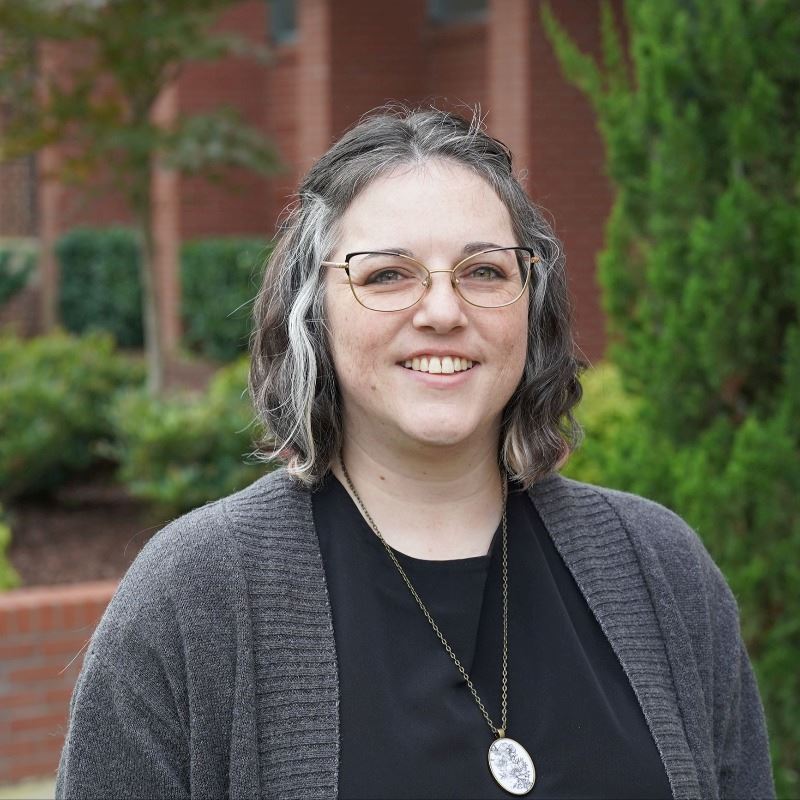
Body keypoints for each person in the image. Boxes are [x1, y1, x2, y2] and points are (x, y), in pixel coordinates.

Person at [56, 108, 774, 800]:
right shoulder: (195, 598)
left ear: (532, 304)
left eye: (484, 271)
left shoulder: (661, 569)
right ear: (313, 312)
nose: (442, 312)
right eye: (387, 275)